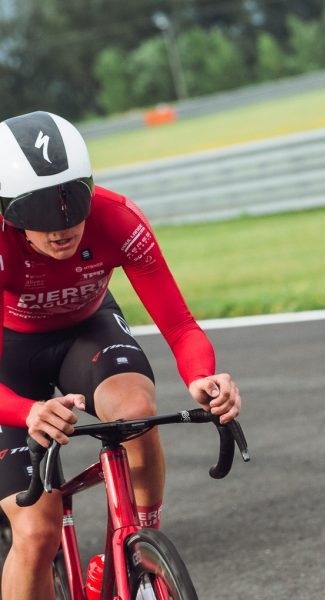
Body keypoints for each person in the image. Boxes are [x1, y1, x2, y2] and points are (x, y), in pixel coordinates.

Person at [0, 111, 242, 600]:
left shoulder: (117, 218)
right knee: (36, 534)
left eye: (73, 203)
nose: (62, 225)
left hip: (88, 331)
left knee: (135, 413)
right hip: (11, 358)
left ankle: (137, 553)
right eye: (41, 214)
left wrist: (202, 376)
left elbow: (179, 325)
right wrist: (27, 412)